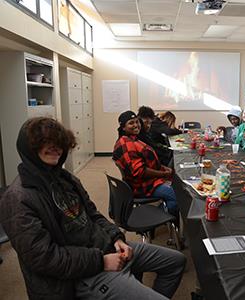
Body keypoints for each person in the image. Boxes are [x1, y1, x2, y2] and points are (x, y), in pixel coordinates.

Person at [0, 117, 186, 300]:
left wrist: (117, 237)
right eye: (45, 143)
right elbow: (45, 258)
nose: (55, 148)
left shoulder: (66, 179)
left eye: (58, 142)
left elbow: (94, 215)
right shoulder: (18, 198)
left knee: (176, 261)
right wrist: (101, 261)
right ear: (29, 149)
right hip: (80, 274)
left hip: (107, 248)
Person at [112, 111, 179, 221]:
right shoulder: (127, 144)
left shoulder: (132, 139)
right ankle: (159, 217)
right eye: (131, 123)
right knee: (176, 195)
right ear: (123, 127)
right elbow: (140, 171)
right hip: (142, 185)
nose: (136, 125)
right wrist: (163, 173)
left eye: (137, 122)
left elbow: (146, 161)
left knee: (177, 185)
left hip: (147, 181)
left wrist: (162, 168)